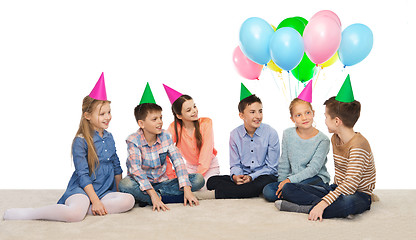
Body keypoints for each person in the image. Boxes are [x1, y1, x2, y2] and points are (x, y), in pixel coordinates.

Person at [3, 73, 135, 222]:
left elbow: (116, 166)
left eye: (109, 112)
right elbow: (83, 175)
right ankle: (30, 214)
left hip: (105, 189)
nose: (108, 117)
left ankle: (89, 208)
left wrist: (117, 192)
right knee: (75, 215)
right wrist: (95, 200)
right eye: (102, 113)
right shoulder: (81, 140)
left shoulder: (109, 137)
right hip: (83, 189)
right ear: (87, 116)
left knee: (128, 200)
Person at [276, 75, 376, 221]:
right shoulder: (335, 138)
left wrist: (323, 203)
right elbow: (340, 186)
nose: (324, 121)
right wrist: (326, 198)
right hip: (336, 189)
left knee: (346, 204)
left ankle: (303, 208)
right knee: (288, 188)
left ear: (336, 121)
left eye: (326, 117)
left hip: (358, 194)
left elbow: (350, 186)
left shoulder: (359, 146)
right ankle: (322, 206)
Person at [118, 83, 204, 212]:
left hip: (163, 183)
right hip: (141, 184)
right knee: (125, 185)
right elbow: (135, 169)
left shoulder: (166, 136)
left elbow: (178, 162)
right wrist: (152, 194)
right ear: (141, 123)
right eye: (154, 119)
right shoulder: (133, 140)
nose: (160, 122)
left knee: (198, 179)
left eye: (160, 118)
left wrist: (186, 188)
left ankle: (147, 198)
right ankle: (158, 197)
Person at [206, 83, 279, 199]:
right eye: (252, 112)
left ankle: (224, 193)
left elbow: (272, 168)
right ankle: (241, 189)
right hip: (245, 175)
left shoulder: (271, 133)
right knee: (211, 181)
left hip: (264, 175)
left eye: (260, 111)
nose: (258, 116)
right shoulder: (235, 135)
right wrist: (236, 176)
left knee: (260, 184)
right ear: (241, 115)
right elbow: (235, 164)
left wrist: (251, 177)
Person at [263, 82, 330, 202]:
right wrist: (281, 184)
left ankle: (297, 195)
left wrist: (289, 182)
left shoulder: (323, 140)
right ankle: (295, 195)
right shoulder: (288, 134)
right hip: (293, 180)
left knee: (290, 188)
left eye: (307, 113)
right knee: (268, 191)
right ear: (292, 119)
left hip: (315, 179)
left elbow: (313, 169)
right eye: (298, 115)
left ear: (313, 113)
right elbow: (284, 163)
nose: (304, 118)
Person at [162, 84, 219, 189]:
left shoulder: (206, 123)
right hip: (189, 168)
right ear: (179, 115)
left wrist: (196, 179)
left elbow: (205, 156)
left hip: (210, 167)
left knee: (203, 188)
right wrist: (171, 176)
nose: (194, 111)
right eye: (188, 110)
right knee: (181, 187)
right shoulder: (174, 128)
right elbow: (163, 150)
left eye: (194, 106)